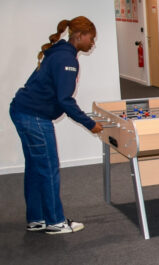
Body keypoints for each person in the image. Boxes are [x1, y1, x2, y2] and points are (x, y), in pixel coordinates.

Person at [10, 16, 103, 234]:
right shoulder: (67, 60)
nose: (92, 43)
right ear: (79, 36)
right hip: (34, 116)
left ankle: (37, 218)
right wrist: (90, 124)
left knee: (36, 167)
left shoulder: (58, 53)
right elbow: (65, 100)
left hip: (22, 110)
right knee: (49, 167)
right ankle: (55, 221)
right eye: (91, 38)